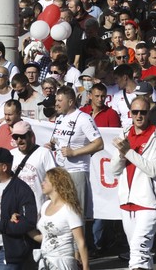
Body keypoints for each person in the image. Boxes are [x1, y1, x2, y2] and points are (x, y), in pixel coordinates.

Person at [108, 95, 156, 270]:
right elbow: (114, 170)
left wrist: (127, 152)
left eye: (143, 112)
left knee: (137, 252)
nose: (139, 116)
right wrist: (121, 154)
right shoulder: (125, 132)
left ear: (148, 113)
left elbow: (153, 169)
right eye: (135, 112)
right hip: (126, 203)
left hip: (147, 203)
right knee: (141, 252)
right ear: (130, 113)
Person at [47, 86, 104, 218]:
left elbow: (99, 144)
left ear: (71, 102)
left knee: (76, 217)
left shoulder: (84, 118)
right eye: (56, 100)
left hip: (77, 172)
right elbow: (59, 140)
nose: (56, 103)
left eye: (60, 101)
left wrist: (74, 153)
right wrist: (51, 145)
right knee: (60, 216)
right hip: (60, 173)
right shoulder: (60, 118)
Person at [26, 167, 90, 270]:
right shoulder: (45, 206)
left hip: (63, 262)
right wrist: (22, 224)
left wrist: (86, 267)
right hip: (45, 262)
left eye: (45, 181)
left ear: (56, 184)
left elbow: (80, 242)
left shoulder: (69, 209)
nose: (42, 183)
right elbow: (45, 237)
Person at [10, 121, 57, 212]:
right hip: (17, 210)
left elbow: (54, 181)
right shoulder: (11, 154)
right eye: (16, 137)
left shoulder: (44, 153)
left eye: (22, 136)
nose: (19, 140)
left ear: (30, 135)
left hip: (39, 209)